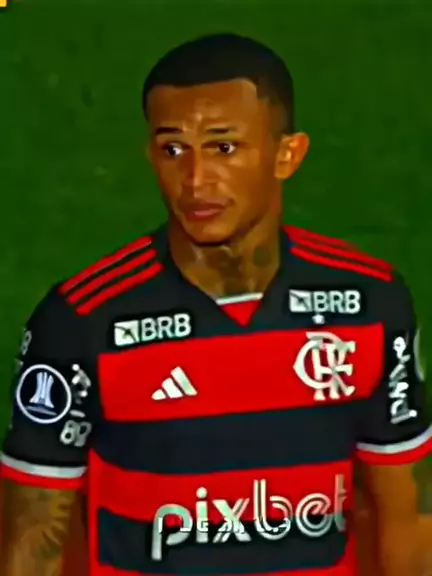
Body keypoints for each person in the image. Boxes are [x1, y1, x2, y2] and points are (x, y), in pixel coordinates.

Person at [1, 32, 431, 576]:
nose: (196, 180)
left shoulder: (370, 304)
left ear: (287, 154)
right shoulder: (83, 320)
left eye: (223, 148)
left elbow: (411, 519)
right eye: (173, 149)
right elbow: (33, 541)